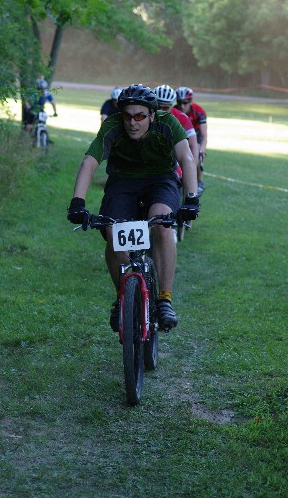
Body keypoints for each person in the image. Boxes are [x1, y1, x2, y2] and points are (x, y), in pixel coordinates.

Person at [67, 84, 200, 332]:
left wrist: (191, 198)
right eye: (127, 116)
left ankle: (165, 299)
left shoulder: (168, 123)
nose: (132, 123)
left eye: (139, 116)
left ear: (152, 115)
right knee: (113, 233)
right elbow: (90, 161)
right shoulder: (113, 127)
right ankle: (123, 295)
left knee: (161, 223)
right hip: (122, 182)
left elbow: (186, 158)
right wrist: (78, 203)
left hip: (161, 180)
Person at [154, 84, 199, 165]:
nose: (160, 111)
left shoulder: (182, 117)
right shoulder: (144, 116)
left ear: (172, 105)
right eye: (158, 107)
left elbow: (193, 145)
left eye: (165, 108)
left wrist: (193, 169)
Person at [175, 86, 207, 197]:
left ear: (190, 101)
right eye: (179, 102)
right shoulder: (174, 110)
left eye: (185, 103)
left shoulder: (199, 111)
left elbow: (204, 135)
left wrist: (202, 150)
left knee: (197, 150)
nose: (182, 106)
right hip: (181, 139)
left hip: (196, 139)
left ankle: (198, 180)